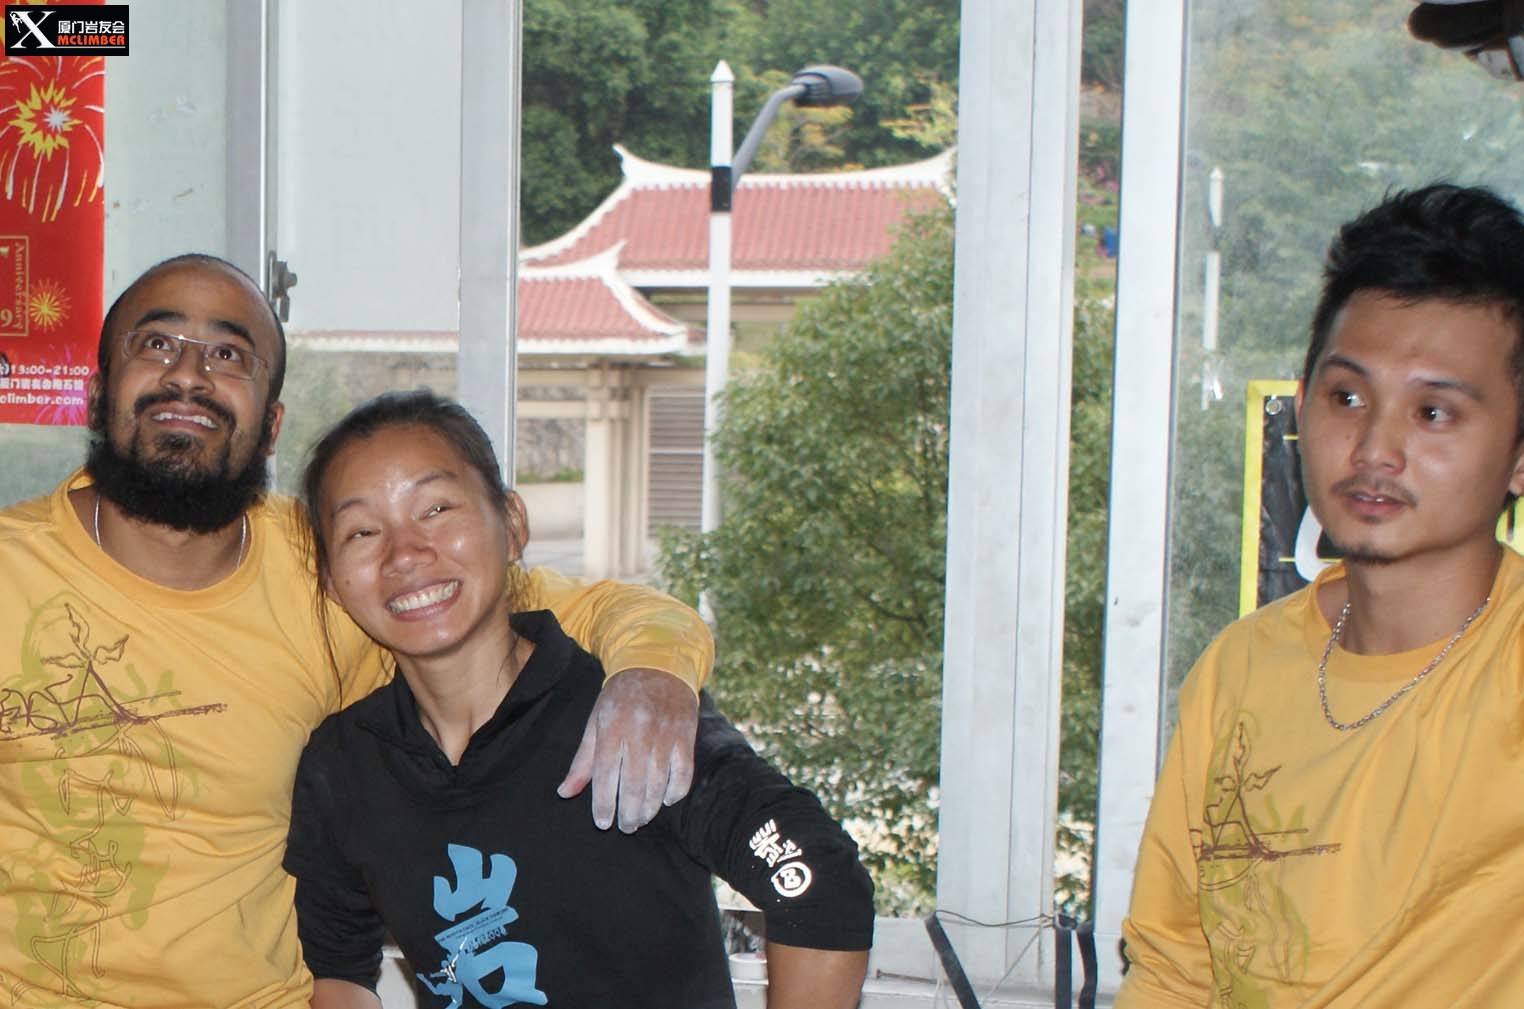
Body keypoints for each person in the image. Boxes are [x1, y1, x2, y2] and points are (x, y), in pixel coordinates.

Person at [0, 254, 713, 1008]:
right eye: (157, 344)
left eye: (228, 355)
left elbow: (607, 608)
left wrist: (653, 674)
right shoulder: (13, 569)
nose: (189, 375)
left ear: (271, 426)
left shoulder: (335, 567)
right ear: (96, 393)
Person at [284, 389, 874, 1009]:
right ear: (331, 581)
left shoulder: (627, 715)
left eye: (436, 509)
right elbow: (336, 967)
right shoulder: (344, 765)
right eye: (362, 531)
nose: (404, 554)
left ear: (512, 525)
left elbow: (817, 882)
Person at [1116, 184, 1524, 1007]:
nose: (1375, 448)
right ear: (1301, 404)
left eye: (1434, 412)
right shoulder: (1241, 667)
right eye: (1347, 398)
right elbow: (1173, 964)